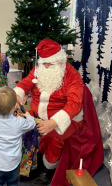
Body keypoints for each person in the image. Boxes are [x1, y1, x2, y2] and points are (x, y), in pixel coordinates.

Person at [14, 39, 87, 185]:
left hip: (66, 117)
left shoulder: (72, 75)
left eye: (50, 63)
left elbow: (75, 104)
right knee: (25, 129)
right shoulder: (38, 70)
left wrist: (54, 122)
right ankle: (34, 165)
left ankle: (49, 170)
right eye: (43, 63)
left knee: (53, 136)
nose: (46, 66)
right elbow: (24, 84)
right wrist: (17, 94)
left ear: (59, 61)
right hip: (38, 114)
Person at [0, 86, 36, 186]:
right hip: (13, 163)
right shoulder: (19, 122)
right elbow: (32, 124)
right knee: (13, 183)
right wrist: (26, 113)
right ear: (15, 106)